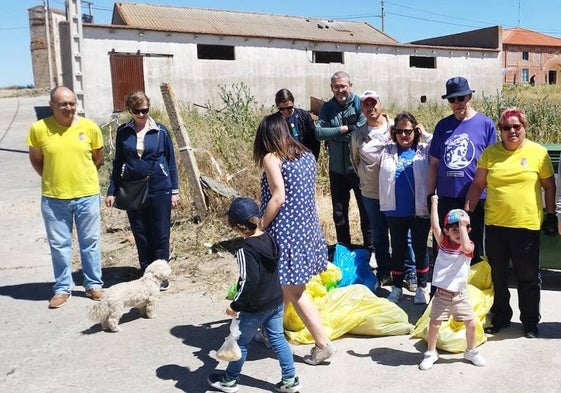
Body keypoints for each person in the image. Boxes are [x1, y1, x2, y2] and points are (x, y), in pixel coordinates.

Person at [465, 107, 557, 338]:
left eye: (517, 126)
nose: (512, 131)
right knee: (498, 276)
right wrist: (466, 215)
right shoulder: (490, 153)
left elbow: (549, 186)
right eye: (506, 128)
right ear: (501, 131)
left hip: (526, 226)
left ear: (524, 128)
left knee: (527, 277)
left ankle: (529, 322)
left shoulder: (539, 153)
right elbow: (477, 185)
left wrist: (551, 214)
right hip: (496, 226)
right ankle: (501, 317)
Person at [254, 113, 336, 365]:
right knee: (279, 286)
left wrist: (260, 225)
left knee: (295, 291)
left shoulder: (272, 158)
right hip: (306, 231)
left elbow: (278, 196)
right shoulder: (306, 155)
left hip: (285, 232)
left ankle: (322, 344)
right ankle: (270, 331)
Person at [207, 197, 300, 393]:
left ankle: (229, 380)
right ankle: (290, 380)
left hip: (255, 307)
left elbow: (249, 281)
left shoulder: (244, 249)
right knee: (278, 339)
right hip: (275, 300)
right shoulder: (269, 239)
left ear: (238, 227)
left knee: (240, 343)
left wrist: (236, 305)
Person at [26, 86, 104, 309]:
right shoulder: (39, 129)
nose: (69, 108)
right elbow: (36, 160)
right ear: (52, 105)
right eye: (63, 104)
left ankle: (93, 284)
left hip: (87, 195)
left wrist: (82, 178)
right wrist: (53, 178)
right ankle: (62, 288)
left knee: (90, 243)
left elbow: (98, 158)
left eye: (72, 103)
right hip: (54, 198)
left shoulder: (89, 127)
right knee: (60, 245)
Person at [105, 91, 179, 291]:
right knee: (140, 231)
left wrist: (174, 190)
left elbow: (171, 162)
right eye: (137, 111)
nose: (141, 115)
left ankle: (161, 274)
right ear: (130, 110)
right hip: (133, 188)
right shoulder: (123, 132)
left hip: (160, 187)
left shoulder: (161, 131)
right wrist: (112, 190)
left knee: (161, 232)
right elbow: (118, 162)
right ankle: (146, 272)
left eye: (145, 110)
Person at [427, 76, 496, 266]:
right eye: (452, 99)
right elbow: (434, 164)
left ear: (469, 97)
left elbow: (492, 165)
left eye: (461, 98)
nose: (457, 103)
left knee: (472, 249)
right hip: (447, 196)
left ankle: (472, 289)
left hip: (474, 197)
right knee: (444, 247)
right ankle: (441, 290)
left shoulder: (486, 125)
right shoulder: (443, 126)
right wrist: (430, 195)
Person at [419, 196, 486, 370]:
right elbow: (434, 226)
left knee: (471, 323)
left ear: (468, 230)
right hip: (442, 294)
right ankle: (431, 352)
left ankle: (470, 351)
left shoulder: (468, 246)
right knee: (434, 323)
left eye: (462, 229)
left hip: (460, 295)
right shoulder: (443, 243)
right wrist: (434, 204)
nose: (457, 232)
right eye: (453, 229)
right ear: (446, 231)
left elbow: (465, 246)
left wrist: (463, 225)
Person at [379, 112, 432, 304]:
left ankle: (421, 287)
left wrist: (425, 134)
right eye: (399, 131)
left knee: (420, 249)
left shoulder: (424, 149)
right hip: (395, 210)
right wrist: (387, 133)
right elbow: (367, 149)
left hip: (419, 211)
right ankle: (397, 287)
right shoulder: (387, 150)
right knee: (399, 249)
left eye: (408, 131)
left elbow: (441, 146)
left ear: (415, 131)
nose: (403, 135)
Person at [315, 71, 372, 249]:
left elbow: (362, 130)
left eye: (343, 86)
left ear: (350, 86)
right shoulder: (327, 107)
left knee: (365, 210)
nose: (340, 90)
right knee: (339, 212)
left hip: (357, 168)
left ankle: (370, 248)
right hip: (336, 170)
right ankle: (344, 247)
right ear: (331, 88)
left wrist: (333, 135)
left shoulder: (359, 104)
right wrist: (344, 129)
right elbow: (318, 133)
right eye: (336, 87)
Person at [275, 88, 320, 160]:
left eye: (289, 107)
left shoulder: (304, 116)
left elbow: (314, 140)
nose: (286, 111)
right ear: (277, 106)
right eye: (282, 109)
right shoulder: (274, 120)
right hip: (283, 160)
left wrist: (313, 159)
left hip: (304, 158)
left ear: (293, 103)